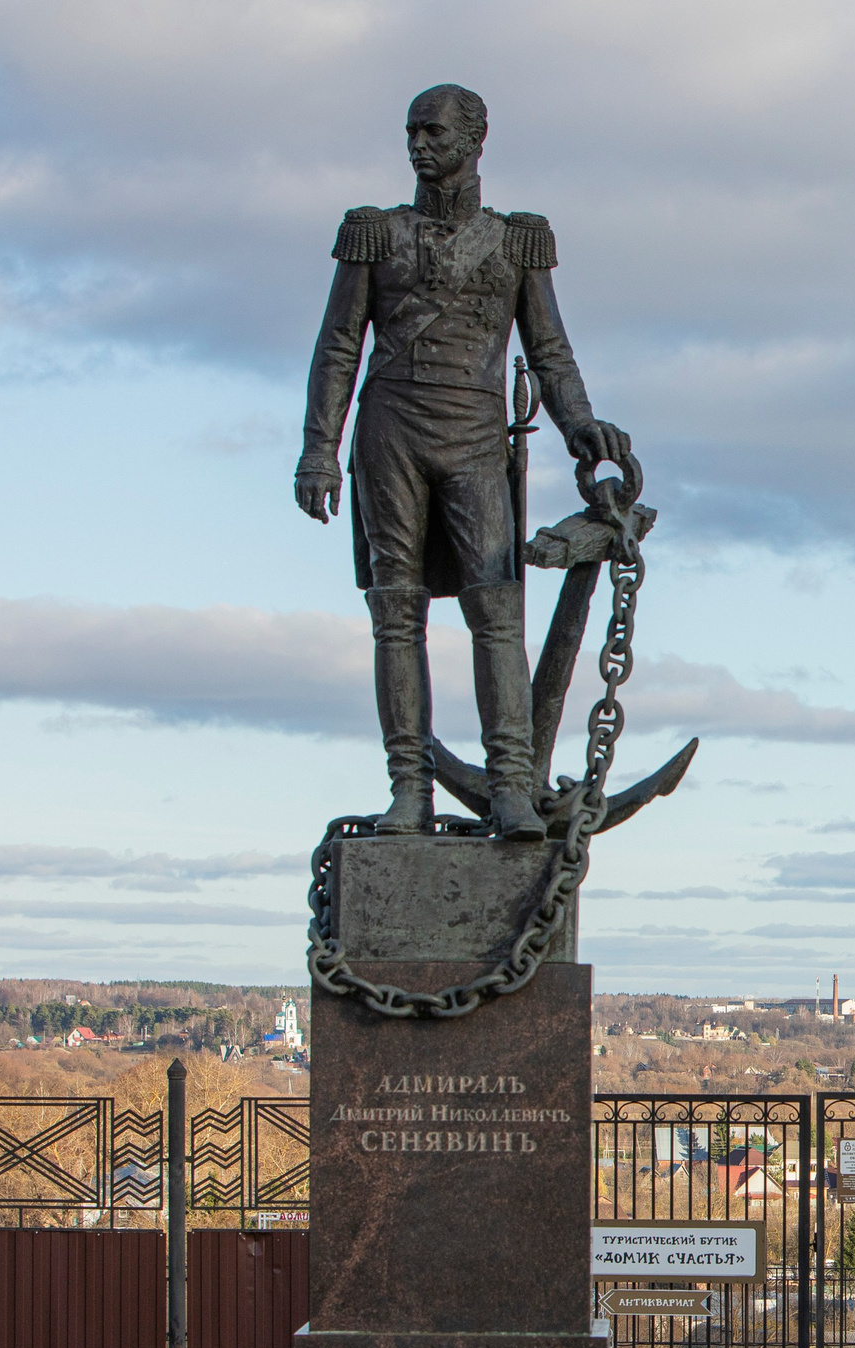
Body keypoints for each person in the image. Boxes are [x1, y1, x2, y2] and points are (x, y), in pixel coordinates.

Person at [295, 83, 629, 838]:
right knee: (396, 613)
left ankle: (511, 785)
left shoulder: (517, 241)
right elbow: (338, 347)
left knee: (496, 608)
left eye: (435, 132)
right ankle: (409, 789)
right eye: (412, 131)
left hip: (476, 433)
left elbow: (549, 349)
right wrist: (319, 449)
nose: (420, 145)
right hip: (391, 431)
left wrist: (580, 424)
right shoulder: (373, 232)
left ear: (477, 139)